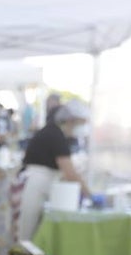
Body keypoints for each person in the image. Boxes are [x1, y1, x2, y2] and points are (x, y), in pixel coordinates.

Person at [13, 99, 92, 240]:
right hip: (34, 184)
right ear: (70, 120)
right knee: (26, 234)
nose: (82, 127)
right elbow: (70, 173)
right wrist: (89, 194)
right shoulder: (55, 135)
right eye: (81, 123)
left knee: (31, 233)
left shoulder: (55, 133)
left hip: (39, 184)